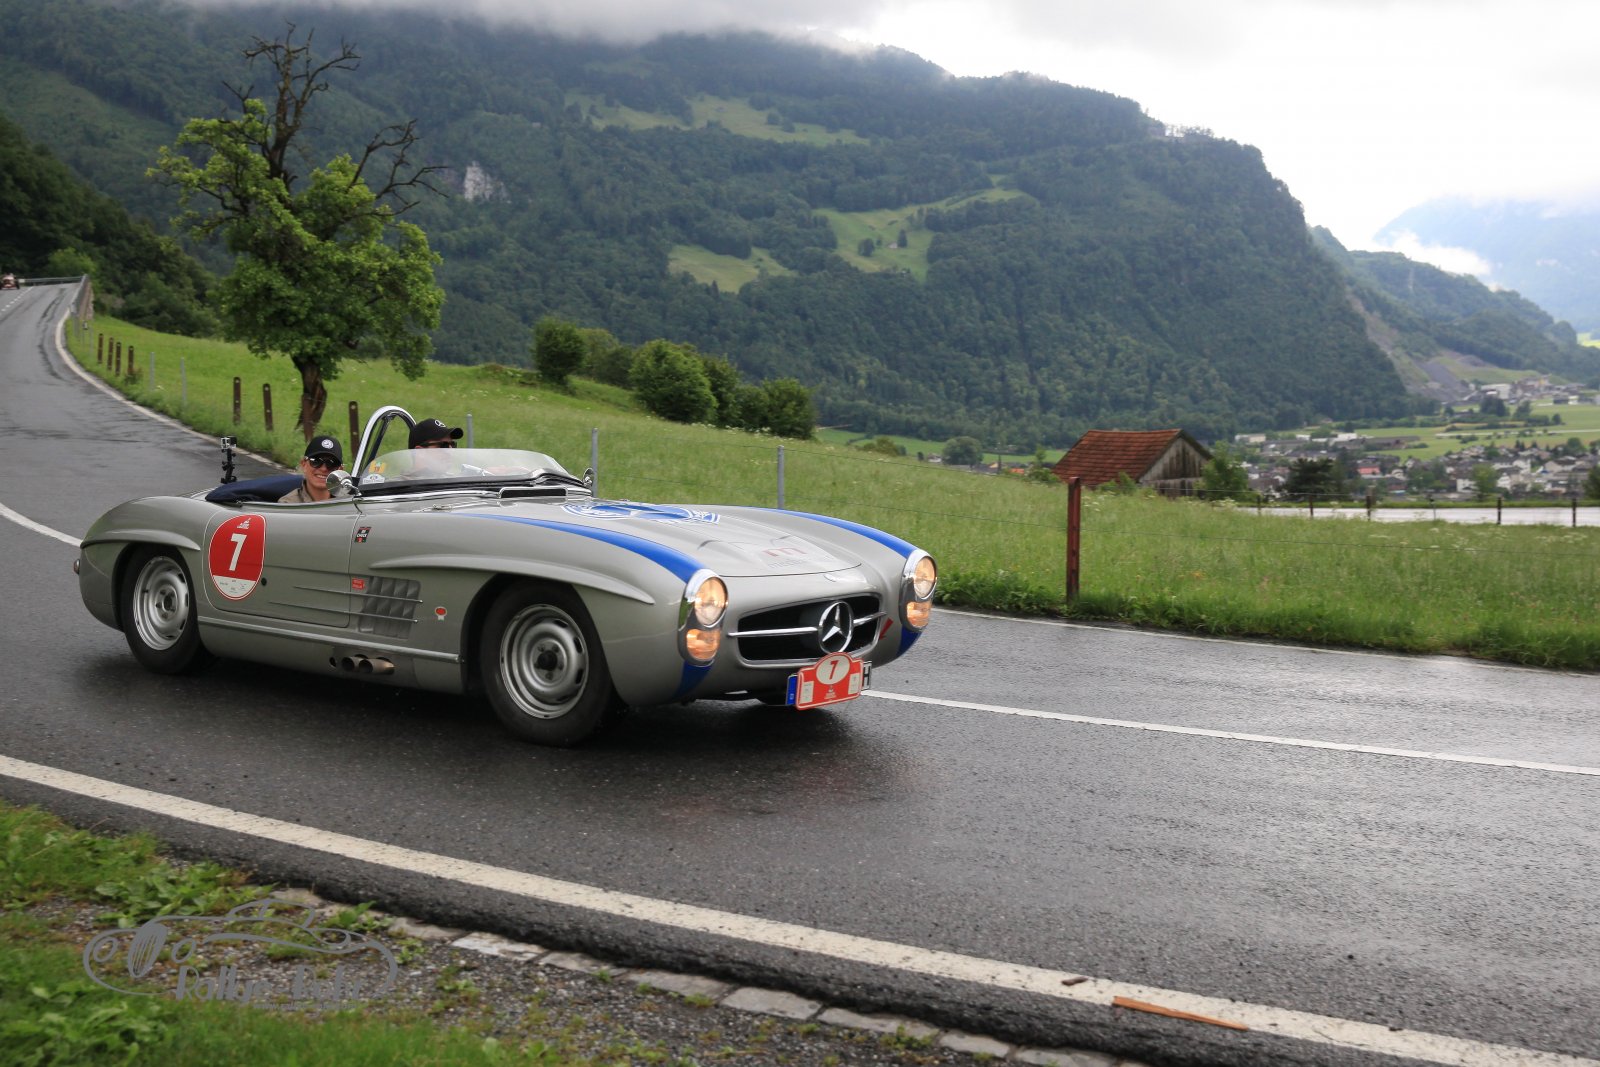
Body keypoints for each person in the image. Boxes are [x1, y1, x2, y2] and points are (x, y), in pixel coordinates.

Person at [278, 436, 343, 503]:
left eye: (332, 463)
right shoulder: (288, 505)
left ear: (340, 470)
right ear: (304, 465)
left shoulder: (347, 503)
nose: (323, 469)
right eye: (316, 461)